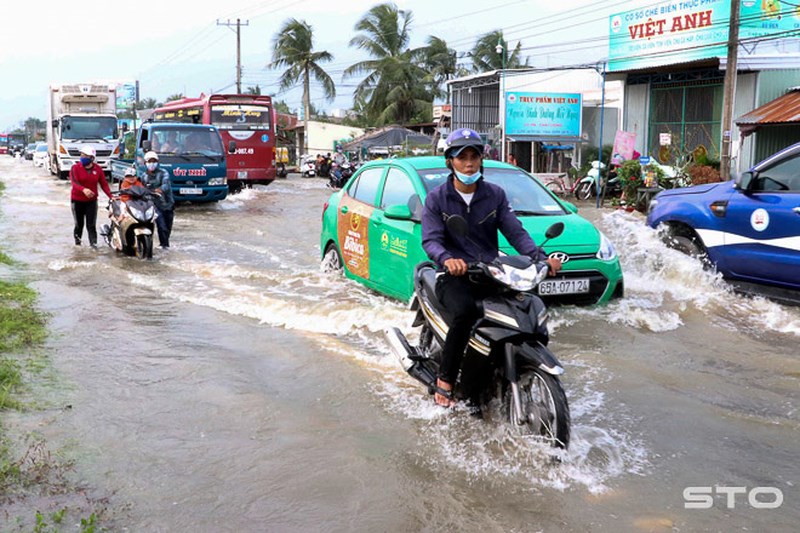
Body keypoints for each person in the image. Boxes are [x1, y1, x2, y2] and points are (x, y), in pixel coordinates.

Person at [421, 128, 562, 409]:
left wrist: (540, 258)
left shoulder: (494, 194)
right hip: (454, 275)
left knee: (530, 307)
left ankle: (518, 364)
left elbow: (515, 232)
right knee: (465, 312)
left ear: (482, 159)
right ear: (450, 161)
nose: (469, 163)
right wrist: (448, 259)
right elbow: (431, 240)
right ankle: (446, 378)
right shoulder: (438, 198)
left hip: (490, 270)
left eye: (474, 156)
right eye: (462, 157)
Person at [70, 145, 112, 247]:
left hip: (91, 202)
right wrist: (83, 189)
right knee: (79, 225)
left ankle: (94, 246)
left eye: (85, 156)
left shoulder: (98, 169)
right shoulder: (75, 168)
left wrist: (111, 197)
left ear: (92, 158)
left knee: (91, 225)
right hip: (77, 201)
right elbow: (74, 183)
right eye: (81, 155)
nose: (82, 157)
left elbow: (104, 184)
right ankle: (77, 245)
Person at [141, 151, 174, 248]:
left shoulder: (164, 173)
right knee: (161, 226)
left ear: (157, 162)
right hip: (155, 205)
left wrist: (159, 190)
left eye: (154, 161)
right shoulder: (144, 176)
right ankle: (162, 245)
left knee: (167, 228)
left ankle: (166, 245)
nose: (151, 163)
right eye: (149, 161)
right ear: (145, 163)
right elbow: (142, 189)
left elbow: (166, 185)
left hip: (168, 204)